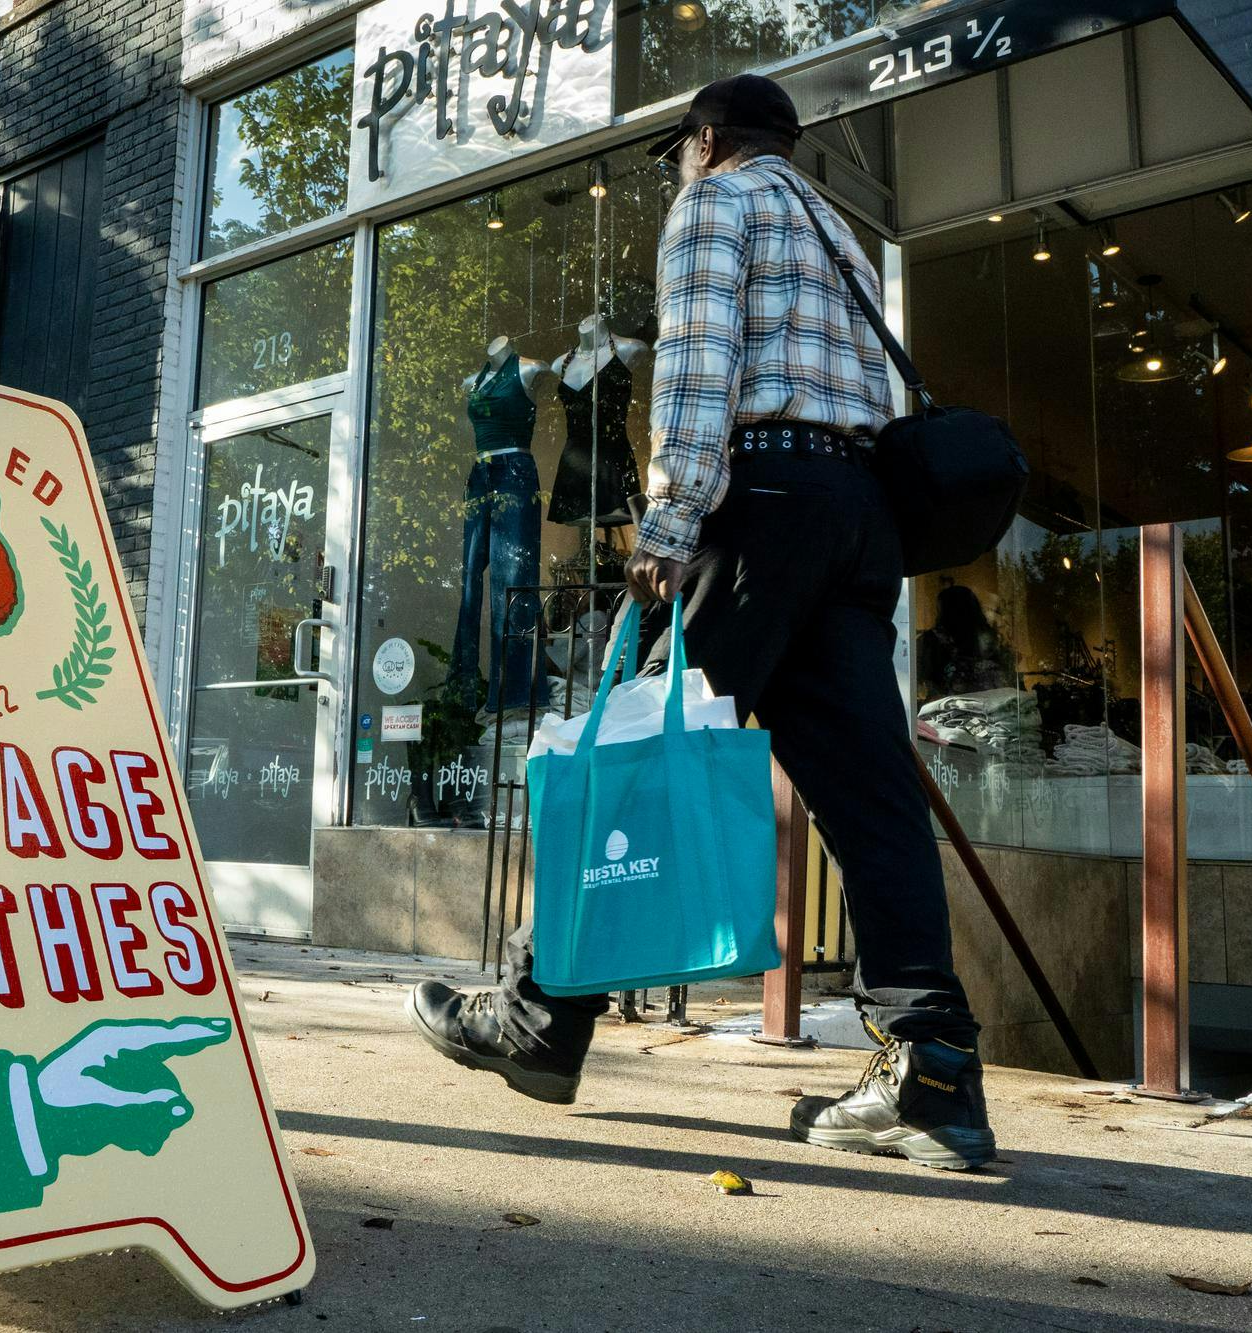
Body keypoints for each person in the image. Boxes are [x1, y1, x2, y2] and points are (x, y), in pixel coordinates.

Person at [406, 74, 994, 1170]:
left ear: (706, 139)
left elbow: (695, 366)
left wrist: (667, 525)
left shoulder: (714, 204)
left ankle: (538, 1014)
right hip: (856, 518)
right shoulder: (838, 230)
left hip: (756, 504)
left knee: (631, 747)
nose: (678, 164)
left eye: (679, 147)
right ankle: (935, 1071)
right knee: (872, 795)